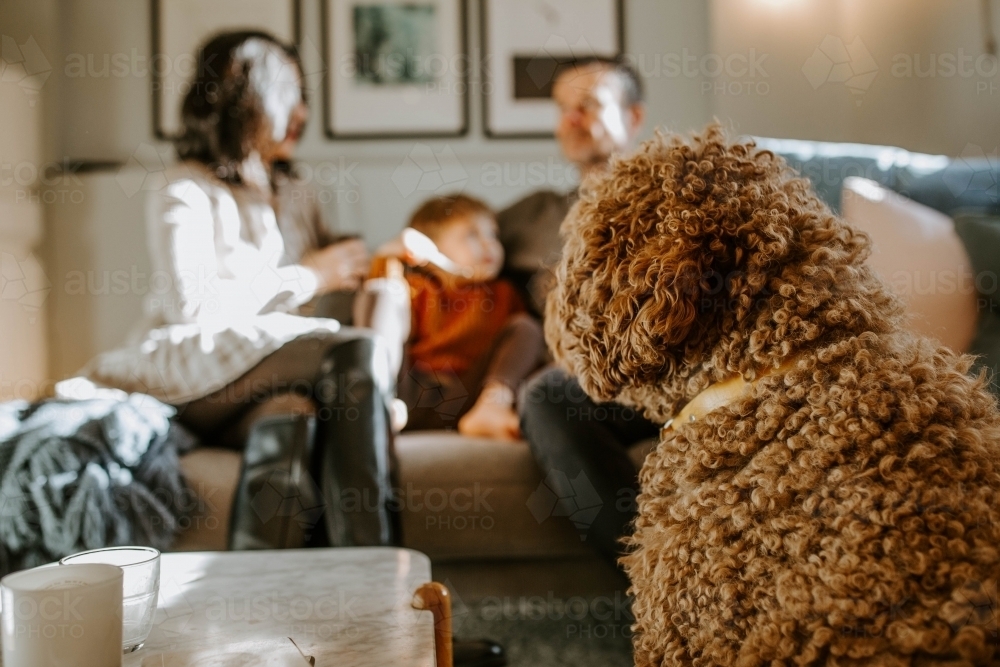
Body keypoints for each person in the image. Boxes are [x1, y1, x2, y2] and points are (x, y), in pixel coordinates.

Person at [79, 31, 394, 548]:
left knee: (292, 419)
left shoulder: (297, 193)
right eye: (290, 93)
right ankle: (382, 571)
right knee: (355, 352)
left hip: (264, 378)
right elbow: (194, 307)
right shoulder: (183, 187)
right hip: (193, 370)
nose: (303, 112)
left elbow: (317, 305)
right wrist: (310, 275)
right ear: (250, 99)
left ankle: (258, 600)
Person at [506, 57, 661, 566]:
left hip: (669, 372)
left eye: (589, 105)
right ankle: (649, 574)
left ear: (633, 118)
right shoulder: (534, 215)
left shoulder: (673, 194)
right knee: (549, 393)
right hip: (593, 387)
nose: (572, 119)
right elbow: (448, 240)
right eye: (563, 108)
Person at [360, 195, 546, 440]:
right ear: (429, 246)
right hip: (411, 399)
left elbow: (522, 356)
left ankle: (493, 408)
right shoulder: (417, 288)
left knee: (526, 329)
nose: (489, 244)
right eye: (472, 235)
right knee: (385, 294)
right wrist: (389, 253)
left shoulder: (502, 293)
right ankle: (380, 400)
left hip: (469, 398)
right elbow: (375, 298)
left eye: (493, 235)